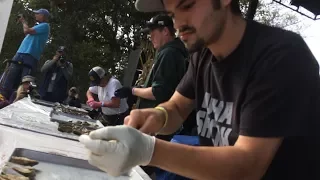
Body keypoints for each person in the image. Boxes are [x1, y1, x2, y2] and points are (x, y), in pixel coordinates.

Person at [79, 0, 320, 179]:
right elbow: (175, 107)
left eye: (187, 5)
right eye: (172, 13)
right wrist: (156, 115)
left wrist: (148, 150)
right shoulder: (202, 55)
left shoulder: (281, 57)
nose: (178, 24)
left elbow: (248, 166)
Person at [115, 14, 189, 141]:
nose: (150, 37)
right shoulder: (169, 52)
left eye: (153, 32)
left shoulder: (169, 54)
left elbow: (158, 92)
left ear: (165, 31)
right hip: (158, 123)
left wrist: (132, 90)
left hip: (155, 125)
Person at [0, 9, 50, 99]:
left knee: (26, 80)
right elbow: (28, 34)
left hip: (30, 55)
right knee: (9, 76)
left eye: (37, 14)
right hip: (20, 52)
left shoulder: (45, 26)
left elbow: (26, 31)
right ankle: (2, 97)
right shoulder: (37, 26)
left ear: (43, 16)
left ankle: (21, 99)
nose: (35, 15)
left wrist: (23, 21)